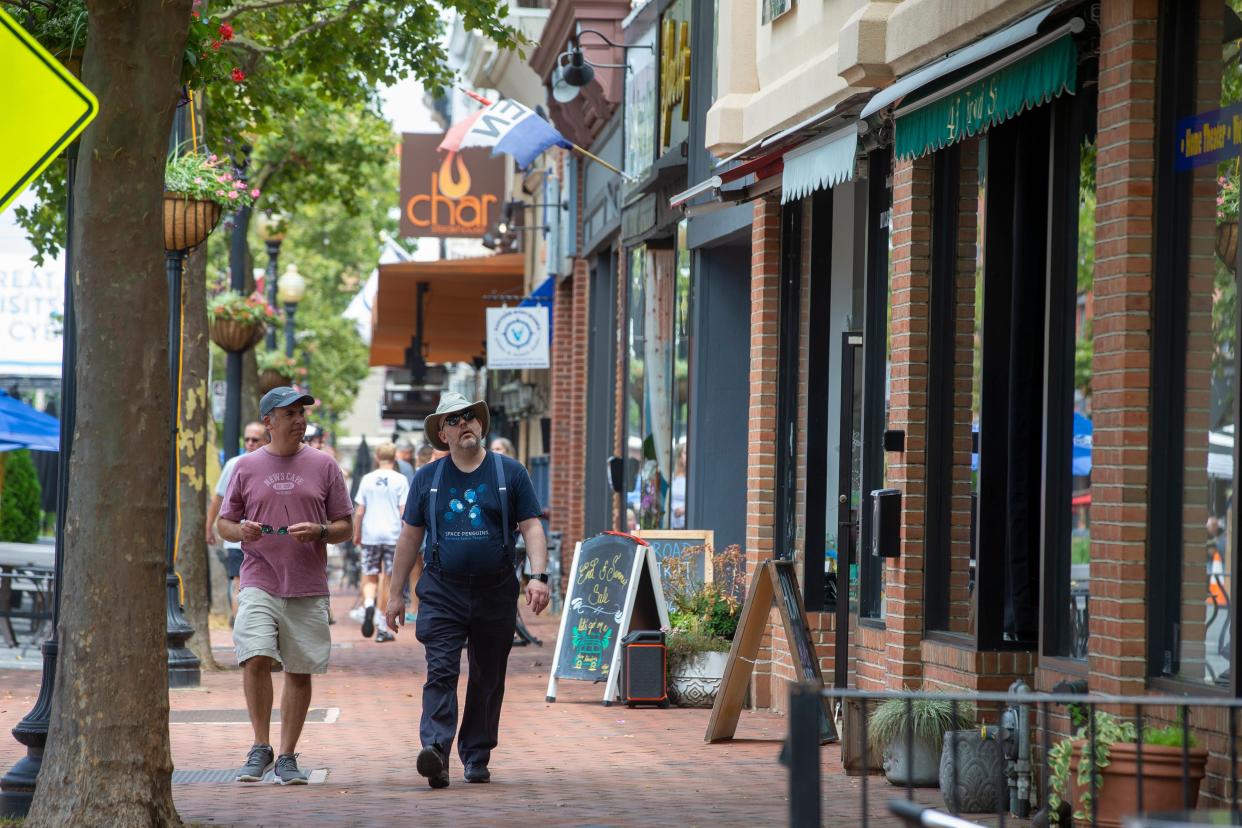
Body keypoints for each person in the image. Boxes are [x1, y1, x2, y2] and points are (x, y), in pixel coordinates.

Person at [385, 391, 550, 788]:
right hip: (443, 590)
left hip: (495, 590)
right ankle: (436, 752)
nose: (465, 424)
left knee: (487, 675)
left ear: (480, 423)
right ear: (442, 433)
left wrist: (539, 576)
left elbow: (531, 526)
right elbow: (409, 539)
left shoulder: (509, 473)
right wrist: (394, 595)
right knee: (440, 669)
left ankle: (476, 755)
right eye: (455, 420)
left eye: (470, 417)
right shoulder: (427, 479)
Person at [217, 387, 354, 785]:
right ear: (269, 422)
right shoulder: (245, 466)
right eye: (290, 413)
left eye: (302, 412)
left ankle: (288, 755)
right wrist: (239, 529)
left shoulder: (325, 467)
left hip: (307, 582)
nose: (300, 419)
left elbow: (346, 527)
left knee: (299, 667)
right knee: (255, 656)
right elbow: (224, 523)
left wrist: (322, 531)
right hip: (259, 576)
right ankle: (260, 746)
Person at [207, 421, 268, 623]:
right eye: (247, 439)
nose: (250, 443)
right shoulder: (235, 464)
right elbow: (219, 497)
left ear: (267, 440)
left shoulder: (274, 465)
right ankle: (240, 626)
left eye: (255, 440)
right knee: (239, 582)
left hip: (267, 539)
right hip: (237, 538)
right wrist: (209, 527)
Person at [353, 442, 409, 643]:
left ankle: (368, 604)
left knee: (369, 575)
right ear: (395, 458)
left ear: (377, 457)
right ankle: (382, 626)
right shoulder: (401, 479)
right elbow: (404, 512)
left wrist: (357, 533)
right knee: (388, 578)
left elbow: (360, 511)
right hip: (393, 534)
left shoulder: (367, 479)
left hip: (370, 534)